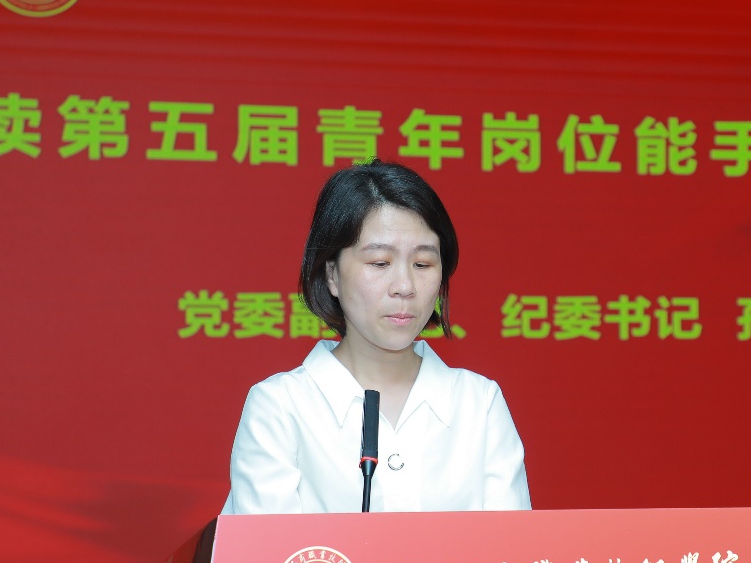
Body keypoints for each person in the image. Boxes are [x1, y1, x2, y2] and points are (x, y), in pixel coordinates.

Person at [220, 161, 531, 514]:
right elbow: (270, 549)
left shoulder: (479, 404)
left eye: (423, 264)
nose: (405, 286)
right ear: (332, 275)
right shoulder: (281, 408)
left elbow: (511, 547)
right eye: (380, 263)